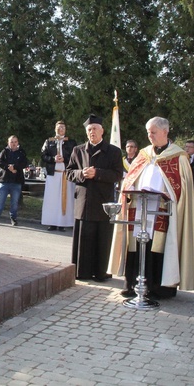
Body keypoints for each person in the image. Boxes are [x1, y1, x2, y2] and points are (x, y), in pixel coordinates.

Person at [109, 117, 194, 298]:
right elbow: (130, 178)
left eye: (153, 132)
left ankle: (159, 287)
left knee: (157, 246)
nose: (150, 135)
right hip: (138, 206)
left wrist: (170, 195)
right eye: (148, 132)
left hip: (162, 209)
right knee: (136, 245)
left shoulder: (178, 157)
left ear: (165, 132)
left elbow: (183, 189)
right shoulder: (143, 154)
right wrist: (130, 187)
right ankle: (132, 283)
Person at [66, 115, 123, 281]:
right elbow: (69, 172)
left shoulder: (114, 151)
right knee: (83, 239)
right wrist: (81, 174)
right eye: (89, 130)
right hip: (83, 201)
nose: (92, 132)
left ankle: (100, 273)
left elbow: (117, 174)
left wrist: (97, 173)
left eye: (95, 129)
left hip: (103, 201)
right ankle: (82, 272)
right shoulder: (78, 150)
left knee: (102, 239)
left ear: (102, 131)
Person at [40, 121, 77, 232]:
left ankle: (63, 223)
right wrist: (53, 159)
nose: (61, 129)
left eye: (63, 127)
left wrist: (64, 159)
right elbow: (43, 155)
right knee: (52, 199)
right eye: (59, 127)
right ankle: (52, 223)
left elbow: (75, 156)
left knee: (65, 199)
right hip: (53, 173)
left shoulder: (70, 142)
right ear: (55, 128)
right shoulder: (49, 141)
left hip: (65, 174)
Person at [0, 135, 28, 226]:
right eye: (11, 142)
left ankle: (13, 218)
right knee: (0, 201)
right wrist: (8, 167)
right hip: (4, 180)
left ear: (17, 143)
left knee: (14, 203)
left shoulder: (21, 152)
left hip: (16, 181)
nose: (13, 144)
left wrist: (15, 168)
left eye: (15, 142)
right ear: (8, 143)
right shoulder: (4, 151)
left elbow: (24, 163)